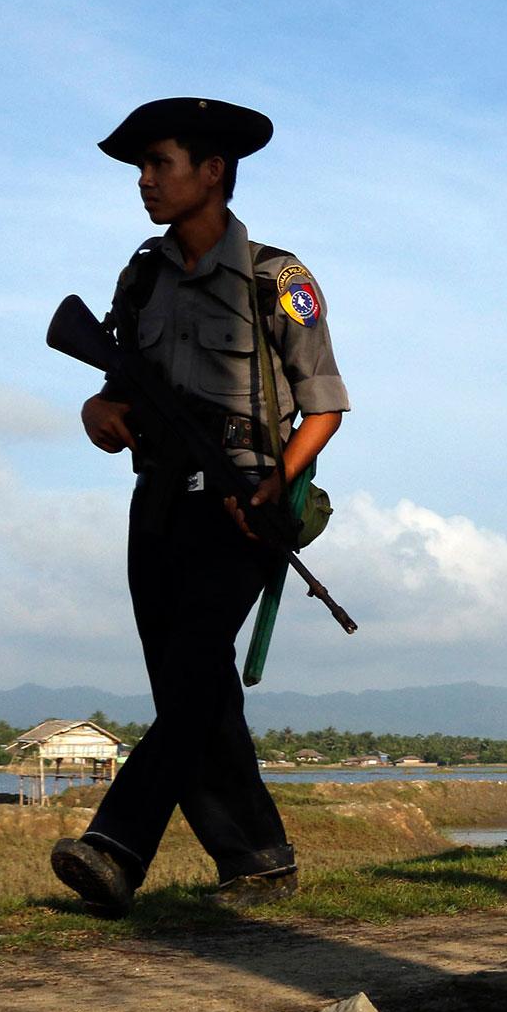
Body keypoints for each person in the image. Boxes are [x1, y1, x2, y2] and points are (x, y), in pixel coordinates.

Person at [50, 98, 348, 914]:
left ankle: (116, 848)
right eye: (142, 168)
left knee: (189, 680)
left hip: (241, 506)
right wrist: (95, 414)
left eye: (160, 164)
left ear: (212, 172)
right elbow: (115, 393)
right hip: (156, 505)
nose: (145, 182)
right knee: (196, 685)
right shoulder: (141, 275)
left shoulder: (278, 280)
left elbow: (325, 404)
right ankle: (257, 858)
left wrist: (271, 480)